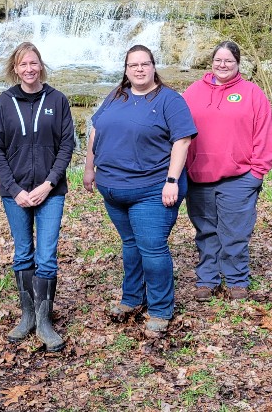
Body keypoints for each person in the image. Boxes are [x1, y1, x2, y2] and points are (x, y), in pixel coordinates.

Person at [82, 44, 196, 335]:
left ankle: (160, 308)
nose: (140, 69)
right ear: (126, 70)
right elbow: (96, 131)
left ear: (154, 66)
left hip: (152, 188)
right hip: (112, 188)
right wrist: (88, 168)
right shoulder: (116, 95)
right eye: (133, 65)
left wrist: (172, 180)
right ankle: (132, 298)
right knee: (130, 244)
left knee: (152, 247)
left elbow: (182, 141)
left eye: (145, 64)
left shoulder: (170, 100)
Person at [0, 42, 76, 352]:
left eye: (34, 63)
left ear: (41, 66)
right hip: (16, 193)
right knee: (23, 253)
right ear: (16, 68)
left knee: (47, 256)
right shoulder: (3, 103)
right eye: (23, 64)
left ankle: (44, 321)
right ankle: (27, 316)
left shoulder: (58, 100)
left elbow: (67, 145)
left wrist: (50, 183)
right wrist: (15, 190)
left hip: (51, 192)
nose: (29, 68)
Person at [182, 41, 272, 302]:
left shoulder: (252, 93)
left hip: (239, 179)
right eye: (218, 60)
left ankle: (236, 280)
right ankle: (207, 279)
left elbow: (265, 134)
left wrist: (257, 172)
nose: (222, 65)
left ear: (237, 64)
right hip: (199, 178)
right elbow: (177, 131)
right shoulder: (193, 92)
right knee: (205, 232)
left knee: (235, 234)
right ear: (211, 62)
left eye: (229, 61)